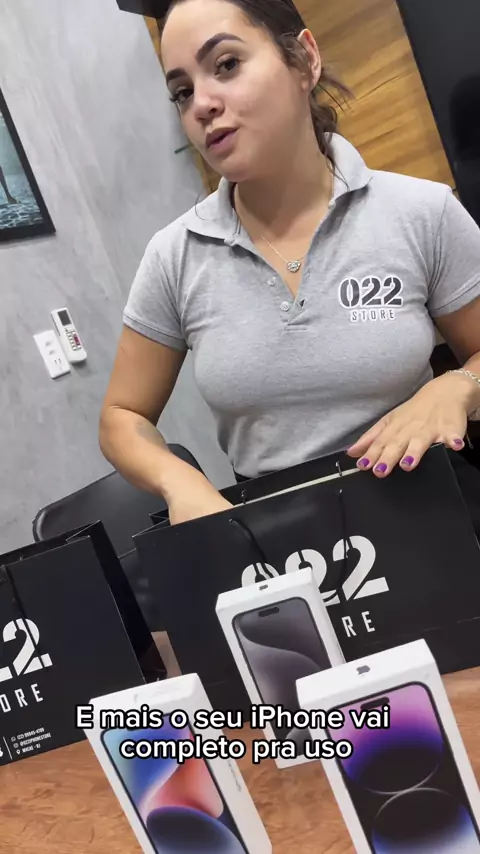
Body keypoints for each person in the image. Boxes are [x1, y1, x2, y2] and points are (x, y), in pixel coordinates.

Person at [99, 0, 480, 528]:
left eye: (226, 64)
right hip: (281, 546)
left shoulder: (422, 212)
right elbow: (121, 416)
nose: (202, 104)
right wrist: (178, 481)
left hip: (429, 516)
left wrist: (457, 384)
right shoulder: (175, 256)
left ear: (304, 60)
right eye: (182, 92)